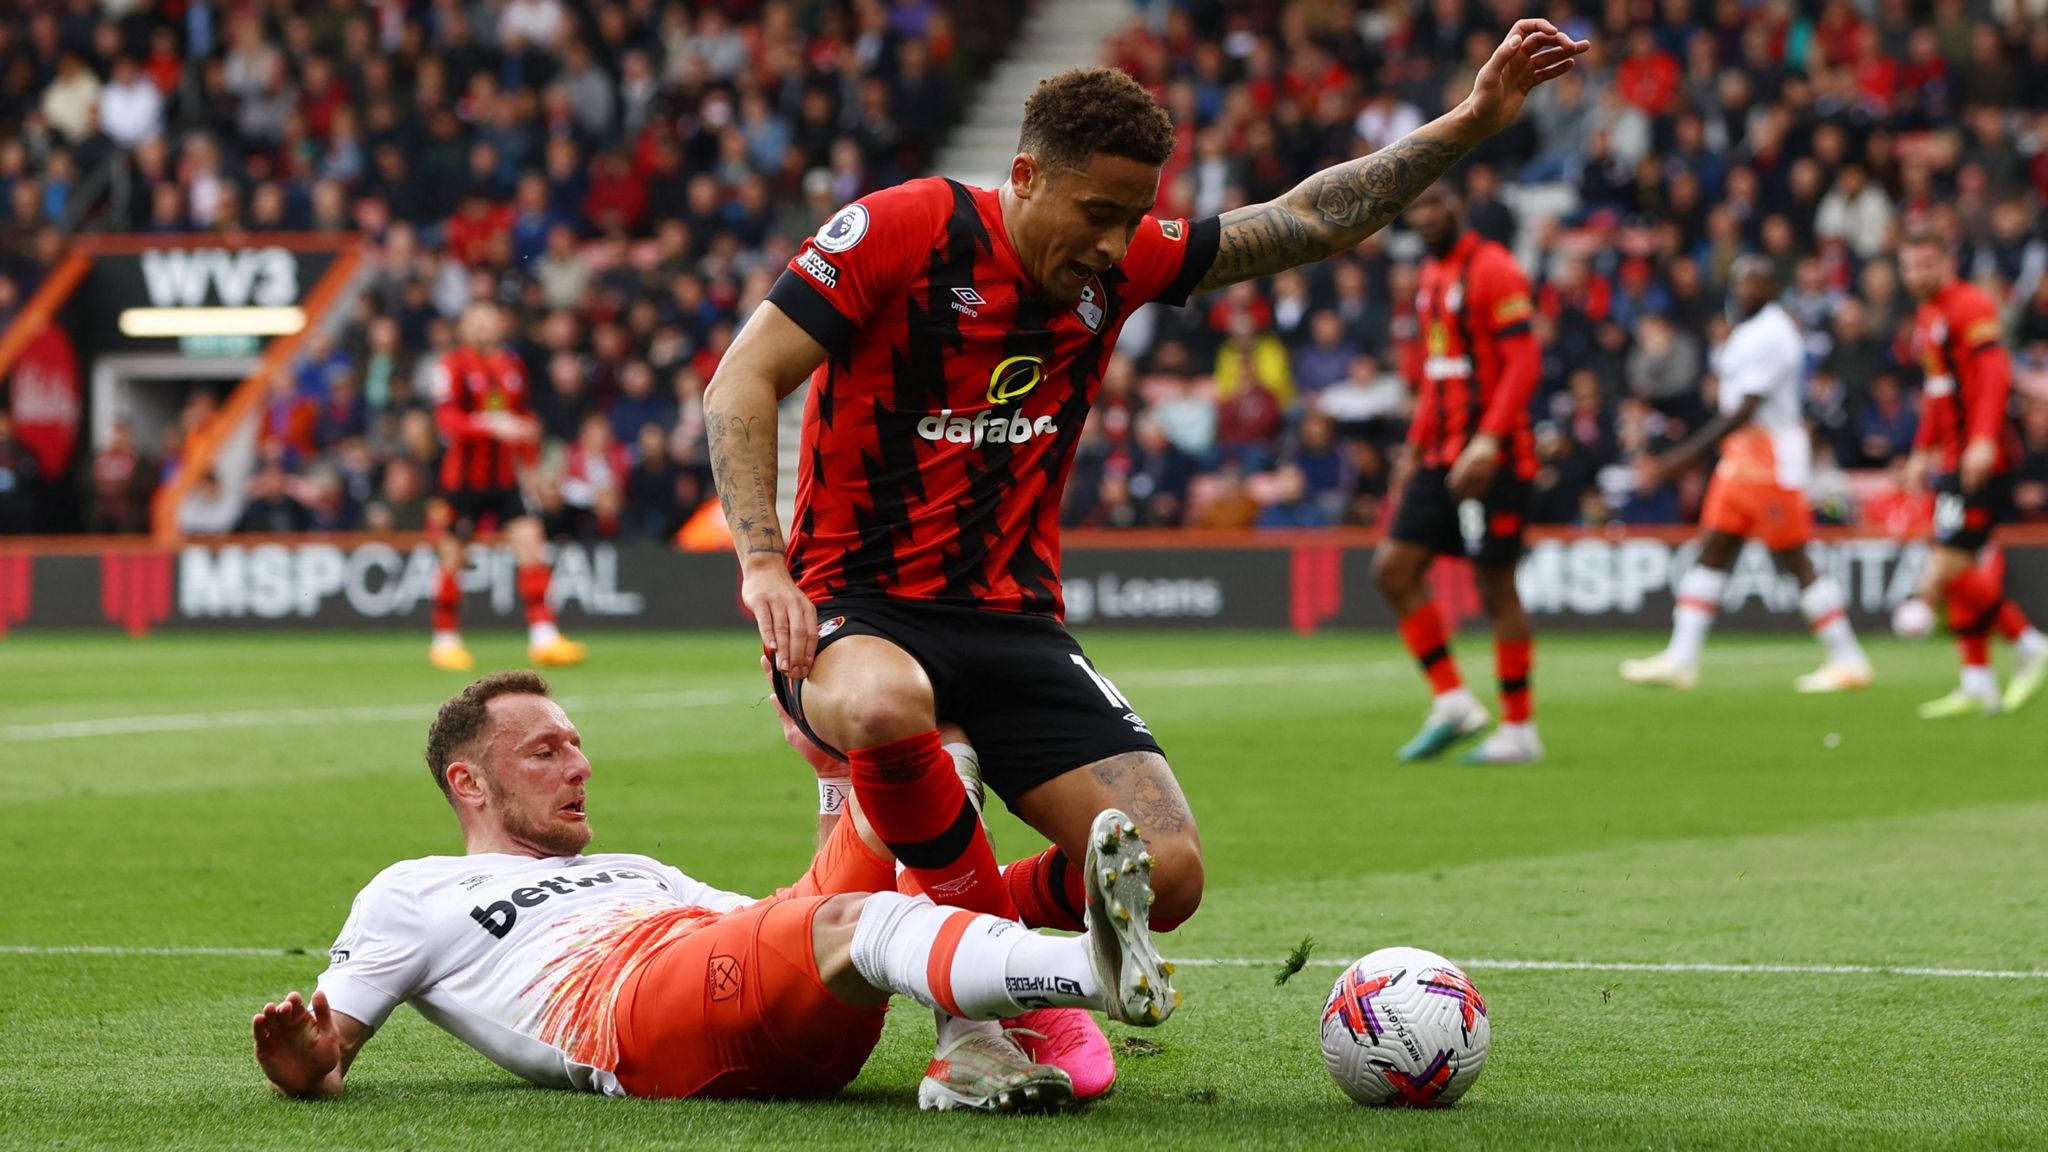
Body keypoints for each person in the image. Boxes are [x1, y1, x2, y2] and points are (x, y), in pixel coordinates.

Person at [701, 23, 1586, 1095]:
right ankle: (983, 1000)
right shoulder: (901, 230)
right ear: (1023, 175)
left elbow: (1305, 218)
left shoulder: (1117, 269)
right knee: (891, 706)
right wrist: (762, 567)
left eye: (1133, 217)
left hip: (1014, 624)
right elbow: (740, 382)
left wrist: (1467, 123)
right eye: (1098, 215)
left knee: (1165, 876)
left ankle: (929, 927)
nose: (1120, 246)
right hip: (855, 610)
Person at [250, 672, 1174, 1112]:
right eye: (545, 751)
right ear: (469, 785)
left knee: (928, 752)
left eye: (575, 743)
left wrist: (834, 781)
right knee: (867, 922)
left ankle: (992, 1017)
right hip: (630, 1015)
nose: (579, 765)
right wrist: (299, 1056)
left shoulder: (640, 873)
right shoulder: (412, 891)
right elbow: (325, 1061)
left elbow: (789, 917)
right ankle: (1083, 971)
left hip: (731, 982)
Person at [1620, 256, 1874, 693]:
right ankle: (1681, 658)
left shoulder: (1773, 333)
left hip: (1768, 457)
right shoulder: (1750, 330)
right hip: (1743, 456)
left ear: (1772, 287)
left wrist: (1677, 460)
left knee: (1794, 558)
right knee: (1714, 547)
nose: (1742, 291)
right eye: (1737, 282)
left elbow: (1745, 409)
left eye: (1753, 283)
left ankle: (1848, 658)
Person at [1371, 185, 1545, 764]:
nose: (1422, 217)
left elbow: (1524, 361)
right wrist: (1412, 453)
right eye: (1414, 207)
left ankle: (1520, 729)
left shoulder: (1493, 268)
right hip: (1442, 456)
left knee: (1496, 588)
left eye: (1433, 206)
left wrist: (1490, 440)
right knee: (1393, 570)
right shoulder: (1429, 277)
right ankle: (1453, 700)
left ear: (1457, 208)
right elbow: (1436, 377)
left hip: (1495, 459)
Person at [1891, 233, 2048, 717]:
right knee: (1955, 565)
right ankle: (1977, 681)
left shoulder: (1971, 305)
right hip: (1954, 458)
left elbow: (1996, 373)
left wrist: (1982, 440)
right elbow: (1939, 393)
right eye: (1908, 267)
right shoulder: (1928, 316)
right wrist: (1922, 451)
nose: (1915, 276)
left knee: (1952, 564)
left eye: (1924, 266)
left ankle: (2031, 644)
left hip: (1986, 457)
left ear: (1945, 263)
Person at [428, 303, 586, 671]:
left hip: (505, 480)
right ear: (463, 328)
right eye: (475, 321)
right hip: (463, 482)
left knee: (532, 545)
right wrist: (490, 425)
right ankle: (445, 638)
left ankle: (544, 637)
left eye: (489, 321)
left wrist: (530, 465)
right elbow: (447, 421)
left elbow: (521, 419)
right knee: (453, 556)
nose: (483, 328)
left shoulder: (510, 367)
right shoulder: (451, 367)